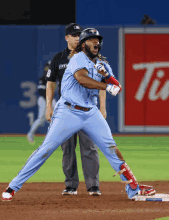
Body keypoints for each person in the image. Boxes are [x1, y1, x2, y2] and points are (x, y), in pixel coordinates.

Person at [2, 28, 156, 201]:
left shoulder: (102, 64)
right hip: (68, 111)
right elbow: (82, 78)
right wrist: (106, 86)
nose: (96, 42)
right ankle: (13, 186)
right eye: (91, 39)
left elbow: (117, 87)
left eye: (97, 39)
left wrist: (106, 76)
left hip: (91, 113)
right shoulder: (76, 58)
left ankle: (133, 188)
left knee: (112, 149)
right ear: (83, 45)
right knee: (46, 149)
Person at [46, 23, 104, 196]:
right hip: (66, 109)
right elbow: (50, 84)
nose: (77, 37)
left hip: (87, 109)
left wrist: (102, 107)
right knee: (67, 149)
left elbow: (101, 84)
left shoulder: (92, 57)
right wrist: (48, 106)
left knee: (90, 148)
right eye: (73, 35)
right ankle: (71, 185)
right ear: (66, 38)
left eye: (79, 34)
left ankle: (93, 186)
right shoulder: (58, 58)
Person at [27, 61, 56, 144]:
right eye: (48, 67)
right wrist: (48, 102)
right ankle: (30, 134)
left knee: (57, 117)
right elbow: (41, 91)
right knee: (41, 119)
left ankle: (53, 137)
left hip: (51, 99)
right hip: (43, 100)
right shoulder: (43, 78)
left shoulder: (53, 77)